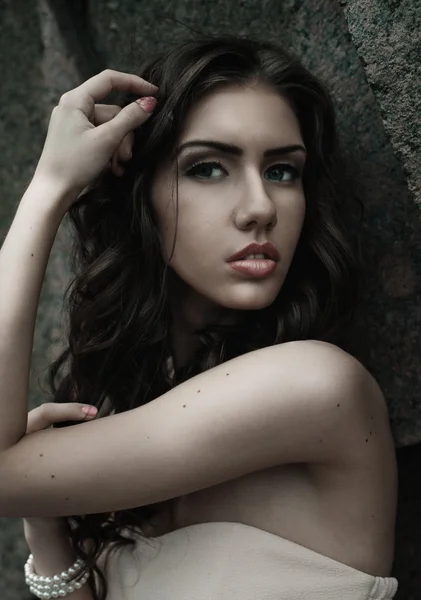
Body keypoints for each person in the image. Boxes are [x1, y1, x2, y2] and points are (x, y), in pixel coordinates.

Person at [0, 35, 398, 600]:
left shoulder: (317, 387)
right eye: (209, 168)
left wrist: (46, 190)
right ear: (143, 197)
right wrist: (46, 525)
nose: (260, 207)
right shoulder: (139, 416)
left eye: (283, 171)